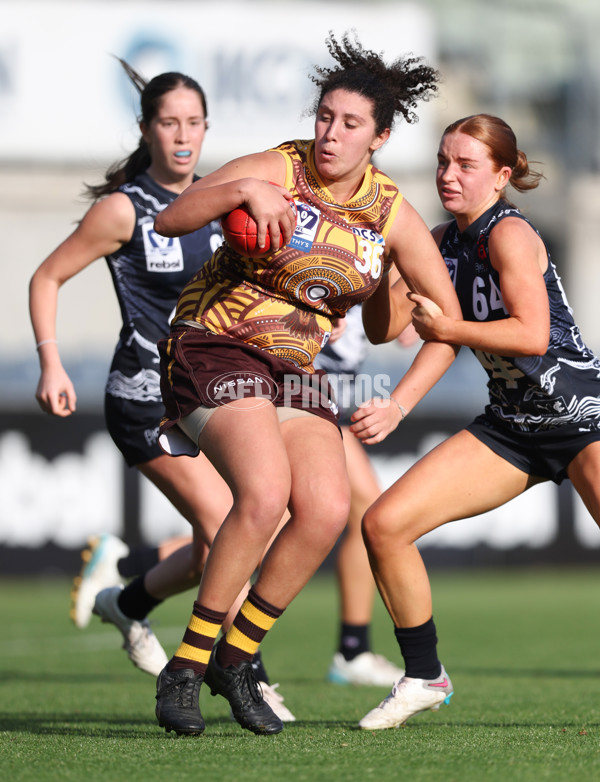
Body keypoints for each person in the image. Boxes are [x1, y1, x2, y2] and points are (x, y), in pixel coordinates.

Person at [150, 30, 461, 737]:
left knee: (324, 510)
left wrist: (395, 318)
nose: (329, 133)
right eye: (324, 116)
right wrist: (241, 189)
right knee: (263, 496)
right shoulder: (277, 168)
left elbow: (426, 328)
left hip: (294, 369)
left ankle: (238, 656)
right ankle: (187, 669)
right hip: (214, 344)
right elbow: (171, 219)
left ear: (378, 137)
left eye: (349, 123)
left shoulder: (391, 213)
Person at [28, 59, 294, 720]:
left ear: (207, 129)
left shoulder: (222, 200)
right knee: (225, 521)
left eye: (194, 122)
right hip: (144, 395)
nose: (183, 135)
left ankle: (129, 601)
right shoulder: (124, 209)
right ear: (146, 130)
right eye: (169, 122)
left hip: (207, 391)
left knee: (224, 543)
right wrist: (52, 365)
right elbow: (46, 278)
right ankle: (244, 672)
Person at [356, 112, 600, 730]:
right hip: (512, 426)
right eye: (443, 161)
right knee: (384, 525)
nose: (449, 174)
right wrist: (386, 258)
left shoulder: (509, 234)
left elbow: (531, 333)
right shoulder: (439, 242)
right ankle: (423, 676)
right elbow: (389, 330)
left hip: (580, 417)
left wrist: (449, 327)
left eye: (466, 164)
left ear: (502, 174)